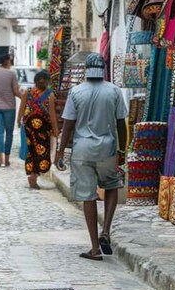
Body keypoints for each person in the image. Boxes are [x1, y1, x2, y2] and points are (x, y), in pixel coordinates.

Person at [55, 53, 128, 261]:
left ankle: (95, 248)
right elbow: (121, 123)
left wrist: (60, 152)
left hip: (82, 150)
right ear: (103, 68)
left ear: (86, 69)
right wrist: (122, 150)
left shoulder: (76, 91)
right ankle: (106, 230)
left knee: (88, 196)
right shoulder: (113, 91)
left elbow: (68, 124)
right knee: (112, 186)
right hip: (108, 148)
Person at [16, 70, 59, 190]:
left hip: (36, 129)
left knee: (33, 152)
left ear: (47, 81)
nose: (41, 81)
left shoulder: (30, 92)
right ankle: (34, 176)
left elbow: (51, 114)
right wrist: (55, 129)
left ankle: (33, 175)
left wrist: (19, 121)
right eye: (39, 79)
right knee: (40, 152)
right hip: (38, 130)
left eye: (43, 79)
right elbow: (51, 114)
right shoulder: (47, 94)